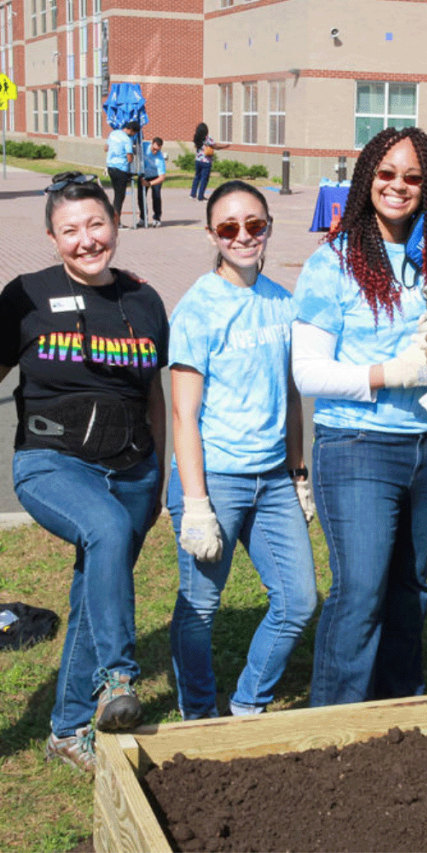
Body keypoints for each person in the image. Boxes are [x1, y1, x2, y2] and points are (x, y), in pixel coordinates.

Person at [292, 126, 427, 707]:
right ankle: (334, 725)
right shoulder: (333, 262)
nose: (398, 186)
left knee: (409, 589)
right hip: (358, 445)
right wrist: (388, 373)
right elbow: (309, 374)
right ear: (366, 177)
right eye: (387, 173)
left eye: (414, 177)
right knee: (362, 590)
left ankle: (398, 710)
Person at [0, 171, 169, 773]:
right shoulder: (25, 296)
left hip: (134, 470)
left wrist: (162, 474)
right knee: (104, 530)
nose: (86, 240)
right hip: (50, 463)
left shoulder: (144, 300)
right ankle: (118, 676)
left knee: (91, 593)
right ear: (52, 237)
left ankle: (68, 732)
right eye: (70, 230)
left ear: (115, 225)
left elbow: (155, 396)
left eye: (96, 224)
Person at [168, 180, 316, 720]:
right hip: (217, 480)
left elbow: (294, 394)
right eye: (229, 228)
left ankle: (247, 704)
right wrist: (197, 503)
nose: (243, 236)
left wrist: (299, 474)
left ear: (269, 226)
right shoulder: (197, 309)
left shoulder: (283, 301)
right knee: (200, 607)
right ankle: (199, 716)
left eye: (254, 225)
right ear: (213, 234)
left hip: (274, 478)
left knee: (298, 601)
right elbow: (184, 412)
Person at [105, 119, 139, 225]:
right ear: (132, 131)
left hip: (111, 166)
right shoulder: (127, 139)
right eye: (134, 133)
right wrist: (132, 157)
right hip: (121, 168)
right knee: (119, 196)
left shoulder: (113, 133)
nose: (133, 135)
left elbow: (106, 148)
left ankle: (114, 219)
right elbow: (129, 157)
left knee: (116, 193)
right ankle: (116, 221)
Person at [190, 122, 229, 202]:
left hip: (198, 160)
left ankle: (193, 194)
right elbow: (215, 146)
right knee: (204, 179)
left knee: (197, 177)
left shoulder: (196, 138)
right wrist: (225, 146)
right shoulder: (207, 138)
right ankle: (200, 197)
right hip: (206, 161)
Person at [136, 136, 167, 228]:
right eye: (154, 149)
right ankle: (143, 218)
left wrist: (149, 183)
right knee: (141, 197)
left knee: (156, 196)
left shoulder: (160, 158)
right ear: (151, 143)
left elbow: (162, 177)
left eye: (157, 150)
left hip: (155, 177)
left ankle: (157, 218)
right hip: (143, 174)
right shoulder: (144, 146)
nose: (155, 151)